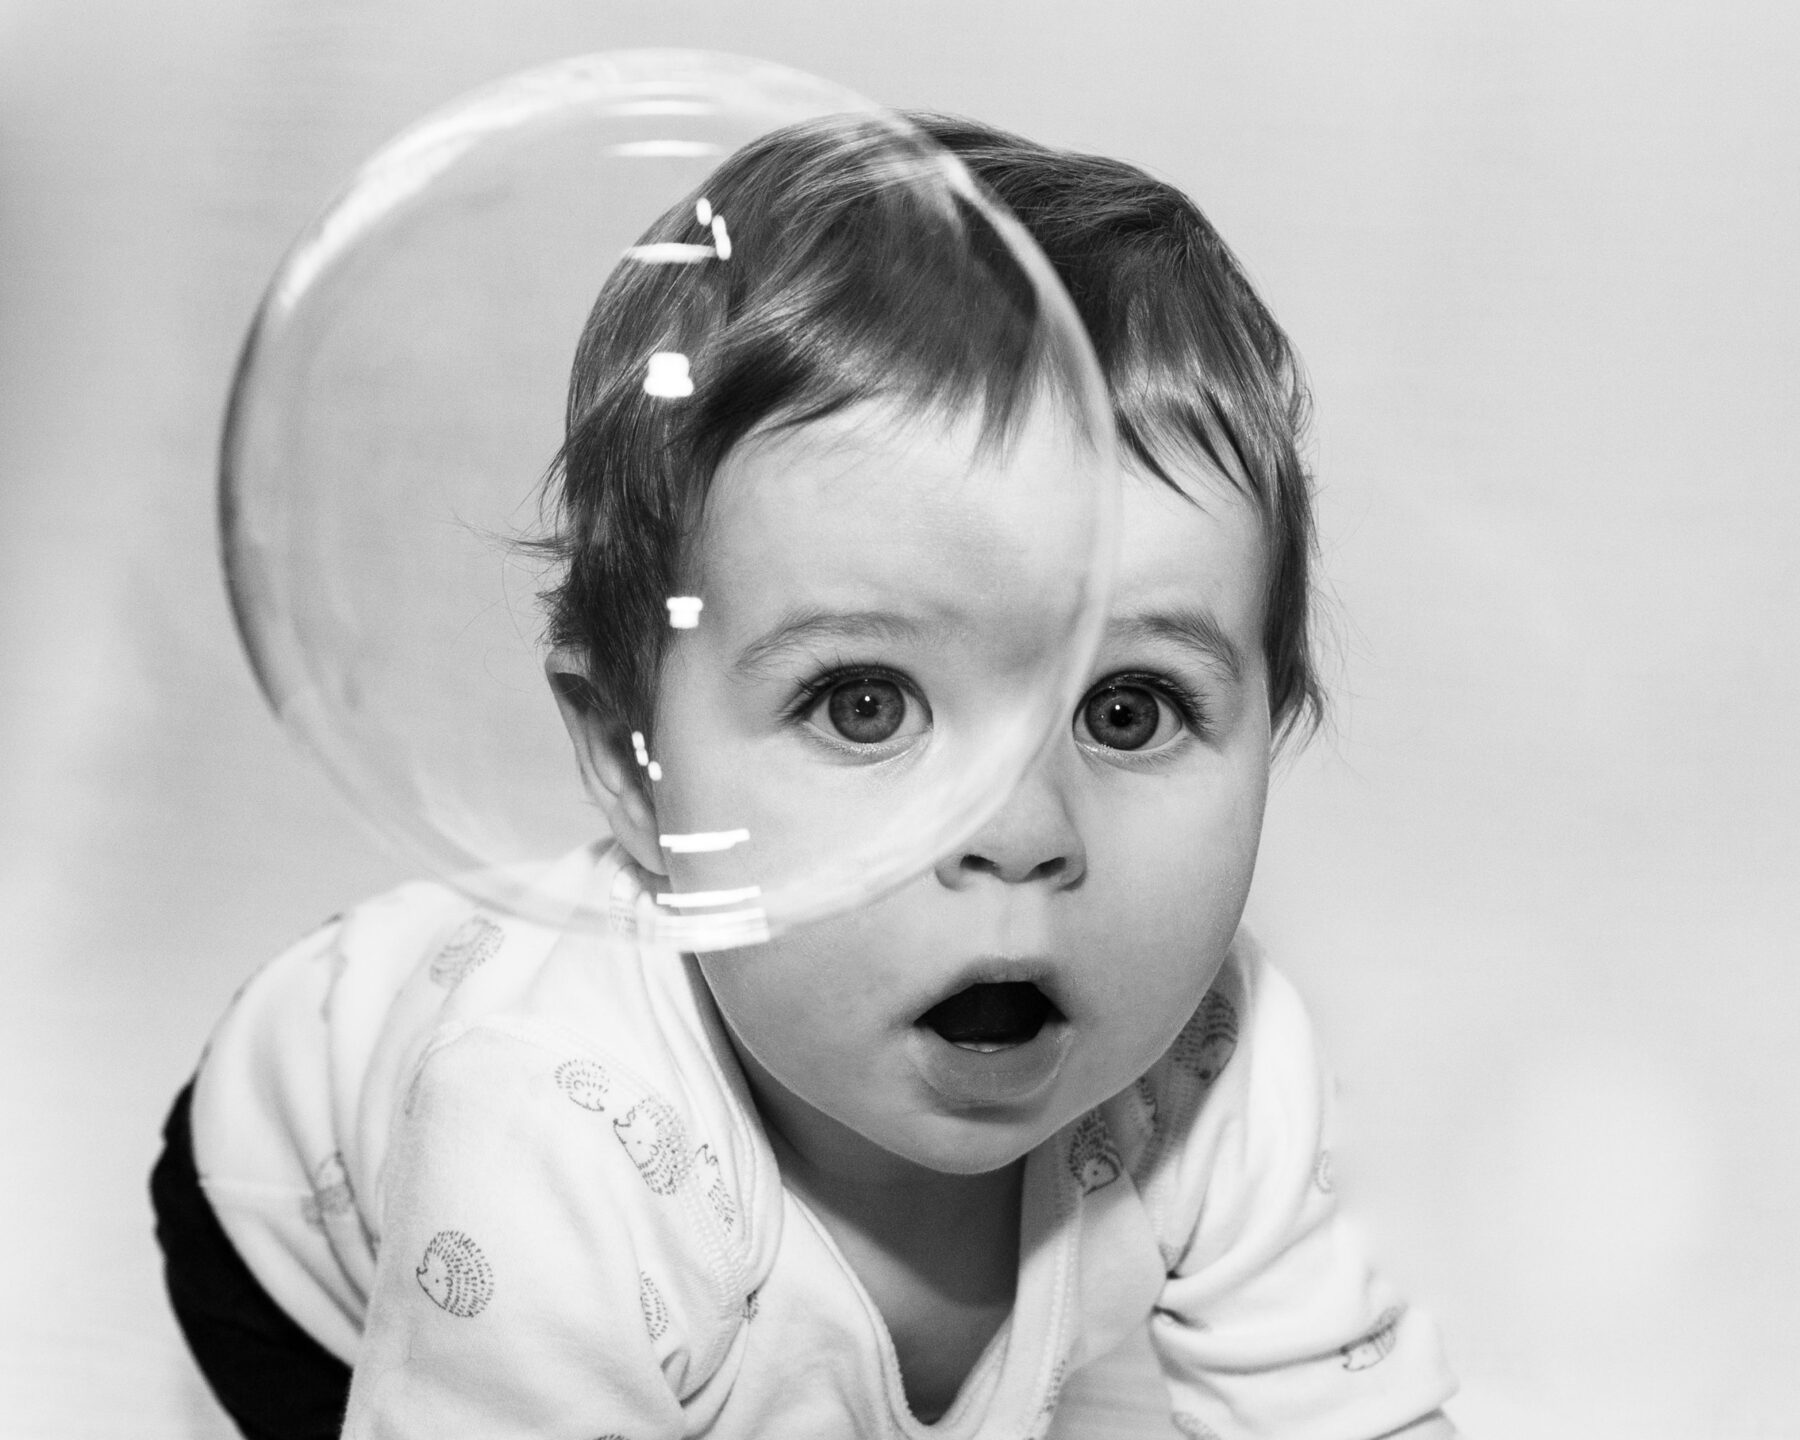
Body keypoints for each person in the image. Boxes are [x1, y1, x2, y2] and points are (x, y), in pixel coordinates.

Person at [153, 111, 1462, 1440]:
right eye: (866, 703)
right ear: (633, 762)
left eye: (1127, 710)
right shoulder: (544, 1134)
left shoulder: (1220, 1075)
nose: (1017, 829)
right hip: (304, 1223)